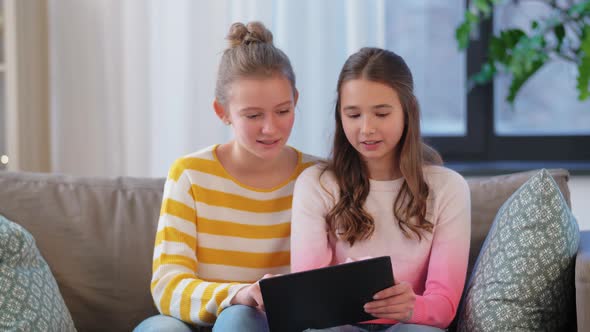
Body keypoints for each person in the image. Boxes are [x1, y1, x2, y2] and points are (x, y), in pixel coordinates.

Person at [134, 21, 316, 332]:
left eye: (283, 111)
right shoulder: (190, 175)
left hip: (274, 325)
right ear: (222, 112)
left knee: (242, 321)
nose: (271, 128)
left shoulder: (317, 177)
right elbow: (168, 285)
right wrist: (237, 294)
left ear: (296, 100)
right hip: (198, 323)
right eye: (253, 115)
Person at [290, 47, 471, 332]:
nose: (366, 129)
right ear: (340, 116)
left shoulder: (448, 188)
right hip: (340, 325)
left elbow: (444, 306)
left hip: (410, 325)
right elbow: (307, 295)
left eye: (382, 114)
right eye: (353, 115)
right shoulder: (316, 184)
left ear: (408, 111)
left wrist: (413, 307)